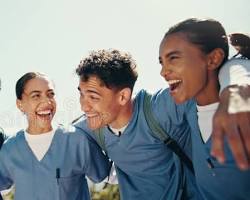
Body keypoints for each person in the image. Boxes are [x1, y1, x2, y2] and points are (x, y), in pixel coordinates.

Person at [73, 48, 250, 200]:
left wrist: (234, 89)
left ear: (123, 96)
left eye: (93, 97)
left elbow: (224, 66)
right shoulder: (88, 129)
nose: (83, 105)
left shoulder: (161, 108)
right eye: (81, 94)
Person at [159, 18, 250, 199]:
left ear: (213, 59)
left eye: (174, 58)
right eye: (161, 62)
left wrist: (237, 84)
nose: (163, 71)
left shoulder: (242, 108)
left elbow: (239, 63)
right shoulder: (188, 109)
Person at [0, 72, 111, 200]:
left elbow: (109, 174)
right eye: (36, 96)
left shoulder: (77, 139)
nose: (46, 101)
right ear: (20, 104)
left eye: (50, 94)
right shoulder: (10, 148)